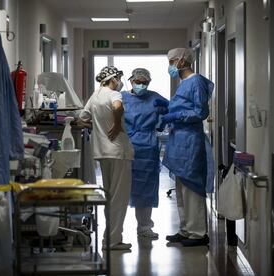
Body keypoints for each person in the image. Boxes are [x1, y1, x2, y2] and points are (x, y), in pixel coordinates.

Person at [161, 48, 214, 247]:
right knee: (182, 189)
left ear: (183, 61)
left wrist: (176, 116)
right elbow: (182, 106)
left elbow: (200, 112)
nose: (171, 66)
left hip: (190, 141)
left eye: (173, 61)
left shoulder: (197, 81)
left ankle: (198, 233)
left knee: (192, 189)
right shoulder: (184, 83)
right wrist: (167, 109)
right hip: (179, 139)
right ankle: (186, 230)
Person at [78, 66, 135, 250]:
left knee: (110, 195)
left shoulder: (94, 96)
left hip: (102, 152)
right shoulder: (113, 94)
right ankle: (113, 240)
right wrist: (117, 123)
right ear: (113, 79)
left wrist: (97, 125)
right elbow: (117, 107)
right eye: (118, 78)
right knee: (119, 197)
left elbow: (80, 119)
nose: (119, 82)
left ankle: (107, 238)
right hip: (118, 152)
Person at [121, 68, 169, 239]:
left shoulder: (155, 97)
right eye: (138, 81)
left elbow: (169, 111)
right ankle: (116, 230)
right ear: (131, 81)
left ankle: (144, 227)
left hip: (148, 147)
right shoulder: (122, 97)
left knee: (146, 188)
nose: (141, 85)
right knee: (122, 187)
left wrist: (161, 125)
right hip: (125, 145)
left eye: (145, 82)